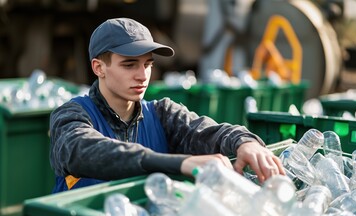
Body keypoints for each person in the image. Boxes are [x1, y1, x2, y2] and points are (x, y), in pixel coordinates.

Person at [50, 17, 285, 193]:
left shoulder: (162, 112)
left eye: (148, 64)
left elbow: (205, 131)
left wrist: (244, 142)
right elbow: (82, 150)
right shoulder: (71, 115)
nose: (143, 75)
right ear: (99, 67)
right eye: (129, 65)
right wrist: (181, 163)